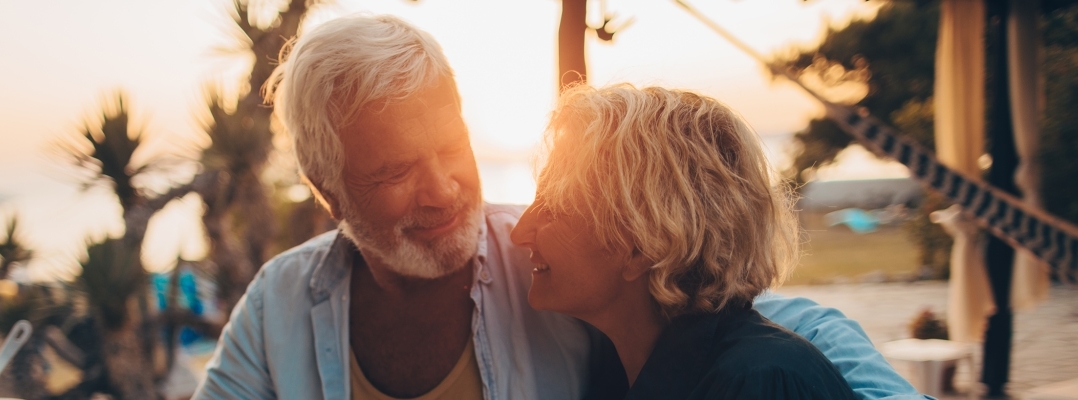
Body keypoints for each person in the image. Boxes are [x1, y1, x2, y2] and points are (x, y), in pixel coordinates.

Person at [194, 14, 924, 400]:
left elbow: (756, 324)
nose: (444, 190)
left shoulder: (551, 259)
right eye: (394, 171)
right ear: (328, 187)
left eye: (452, 147)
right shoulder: (281, 301)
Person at [512, 83, 856, 399]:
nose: (519, 233)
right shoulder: (617, 369)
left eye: (553, 209)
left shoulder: (760, 382)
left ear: (641, 245)